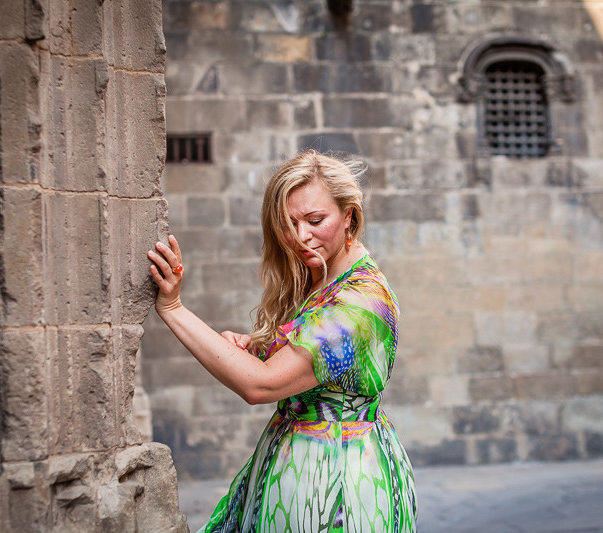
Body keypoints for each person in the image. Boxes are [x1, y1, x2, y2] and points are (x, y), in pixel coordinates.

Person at [148, 150, 417, 532]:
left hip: (337, 487)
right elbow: (312, 362)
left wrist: (173, 307)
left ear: (349, 217)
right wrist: (258, 346)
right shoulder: (324, 275)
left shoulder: (358, 304)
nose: (301, 236)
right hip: (303, 468)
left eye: (315, 220)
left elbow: (263, 384)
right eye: (289, 224)